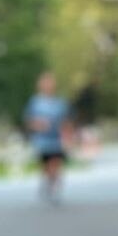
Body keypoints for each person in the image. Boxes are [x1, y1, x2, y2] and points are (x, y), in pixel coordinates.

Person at [24, 72, 72, 204]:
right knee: (46, 165)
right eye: (45, 83)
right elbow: (29, 120)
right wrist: (38, 125)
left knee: (55, 162)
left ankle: (54, 185)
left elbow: (66, 122)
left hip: (56, 139)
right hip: (41, 140)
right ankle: (48, 182)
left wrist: (68, 136)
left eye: (50, 83)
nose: (48, 86)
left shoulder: (60, 103)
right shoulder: (35, 102)